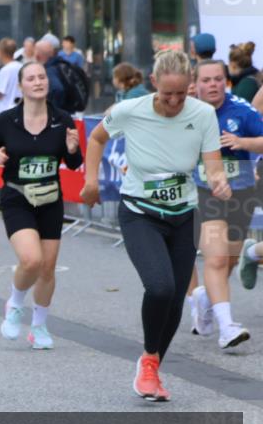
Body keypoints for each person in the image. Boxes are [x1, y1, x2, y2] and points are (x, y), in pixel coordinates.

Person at [81, 50, 231, 402]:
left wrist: (219, 180)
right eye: (168, 94)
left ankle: (151, 365)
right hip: (140, 212)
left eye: (183, 93)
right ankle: (149, 361)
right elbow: (97, 138)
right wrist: (90, 181)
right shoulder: (130, 111)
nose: (176, 101)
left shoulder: (204, 114)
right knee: (160, 287)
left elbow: (212, 164)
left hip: (184, 213)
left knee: (176, 299)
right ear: (154, 84)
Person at [0, 62, 82, 349]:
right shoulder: (7, 120)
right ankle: (15, 303)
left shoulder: (63, 120)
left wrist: (73, 149)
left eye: (42, 77)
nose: (38, 82)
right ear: (22, 85)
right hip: (18, 197)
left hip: (51, 198)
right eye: (31, 78)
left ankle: (39, 327)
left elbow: (74, 163)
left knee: (48, 269)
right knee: (31, 260)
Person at [186, 60, 263, 348]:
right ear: (196, 84)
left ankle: (206, 297)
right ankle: (227, 327)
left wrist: (243, 143)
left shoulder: (241, 110)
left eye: (218, 79)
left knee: (229, 260)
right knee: (216, 258)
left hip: (240, 193)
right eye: (206, 80)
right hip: (204, 192)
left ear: (226, 82)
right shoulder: (185, 112)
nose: (213, 85)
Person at [34, 39, 69, 113]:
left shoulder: (49, 70)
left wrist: (52, 111)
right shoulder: (60, 64)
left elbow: (58, 89)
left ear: (37, 56)